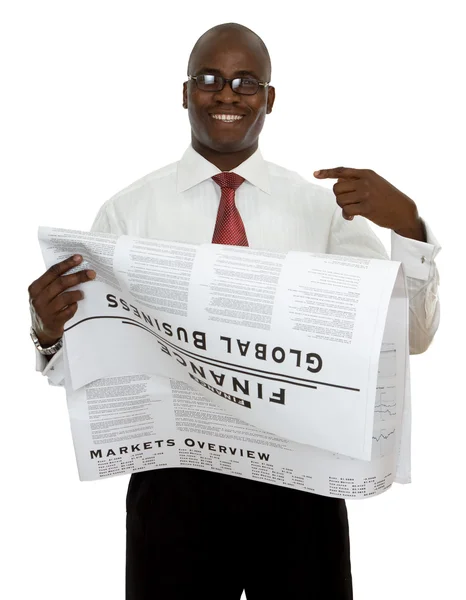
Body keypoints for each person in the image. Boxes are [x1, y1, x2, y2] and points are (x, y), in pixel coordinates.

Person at [28, 22, 440, 600]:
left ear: (269, 98)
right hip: (175, 488)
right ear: (184, 92)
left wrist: (411, 229)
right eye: (210, 79)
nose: (227, 94)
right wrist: (49, 333)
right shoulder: (126, 215)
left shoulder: (324, 213)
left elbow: (412, 337)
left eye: (246, 82)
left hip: (302, 487)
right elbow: (94, 371)